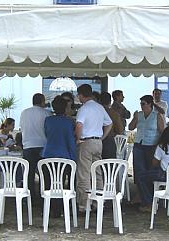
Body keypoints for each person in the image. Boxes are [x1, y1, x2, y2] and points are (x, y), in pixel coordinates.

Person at [75, 84, 113, 212]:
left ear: (81, 95)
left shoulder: (84, 108)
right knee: (97, 172)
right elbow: (109, 123)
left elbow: (79, 124)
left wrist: (78, 138)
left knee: (84, 174)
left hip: (86, 142)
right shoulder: (100, 107)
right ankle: (99, 203)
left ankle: (84, 205)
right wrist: (102, 137)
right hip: (98, 142)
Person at [135, 126, 169, 210]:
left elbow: (154, 163)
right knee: (149, 175)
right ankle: (151, 198)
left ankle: (148, 202)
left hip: (166, 175)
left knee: (141, 176)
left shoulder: (162, 146)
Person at [42, 96, 77, 217]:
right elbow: (70, 140)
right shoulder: (69, 122)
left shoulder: (48, 120)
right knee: (61, 183)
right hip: (64, 156)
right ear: (66, 107)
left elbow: (46, 134)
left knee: (48, 183)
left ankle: (49, 208)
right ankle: (60, 208)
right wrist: (74, 157)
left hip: (48, 155)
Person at [128, 95, 165, 207]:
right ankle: (141, 195)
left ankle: (149, 197)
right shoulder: (139, 115)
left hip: (151, 145)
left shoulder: (157, 116)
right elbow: (130, 127)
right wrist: (134, 118)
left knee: (150, 170)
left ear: (150, 104)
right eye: (141, 104)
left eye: (143, 103)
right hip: (139, 144)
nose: (142, 106)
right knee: (139, 170)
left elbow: (162, 131)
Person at [20, 93, 52, 200]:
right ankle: (44, 197)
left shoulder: (24, 113)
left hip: (28, 145)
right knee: (44, 174)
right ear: (42, 101)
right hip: (43, 146)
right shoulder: (47, 113)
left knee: (29, 174)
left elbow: (22, 128)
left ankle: (30, 198)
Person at [100, 92, 124, 159]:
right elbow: (120, 130)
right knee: (109, 167)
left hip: (95, 140)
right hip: (109, 141)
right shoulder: (114, 113)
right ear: (110, 101)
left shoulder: (95, 112)